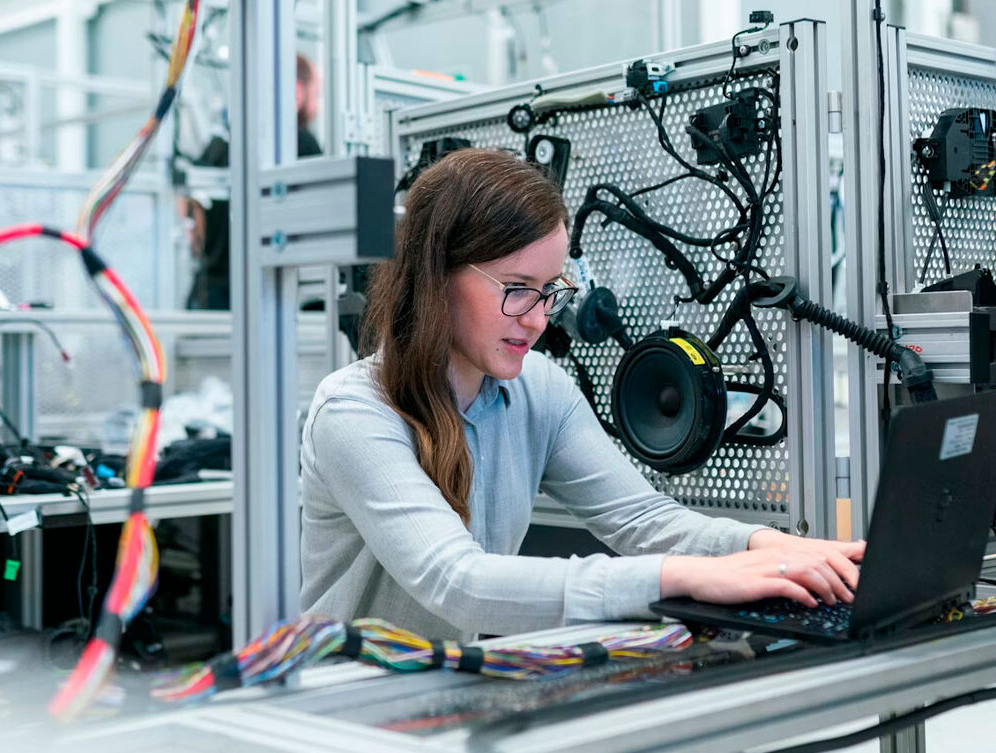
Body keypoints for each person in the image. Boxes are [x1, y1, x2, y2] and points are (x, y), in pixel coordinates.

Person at [299, 148, 864, 641]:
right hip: (347, 714)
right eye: (517, 290)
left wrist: (768, 547)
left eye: (550, 292)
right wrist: (683, 577)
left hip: (445, 692)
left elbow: (644, 520)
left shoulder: (538, 389)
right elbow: (458, 583)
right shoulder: (355, 412)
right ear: (435, 276)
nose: (540, 320)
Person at [183, 53, 323, 309]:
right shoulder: (300, 142)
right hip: (266, 297)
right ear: (297, 91)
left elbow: (190, 210)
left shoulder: (221, 142)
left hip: (209, 297)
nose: (319, 105)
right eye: (318, 93)